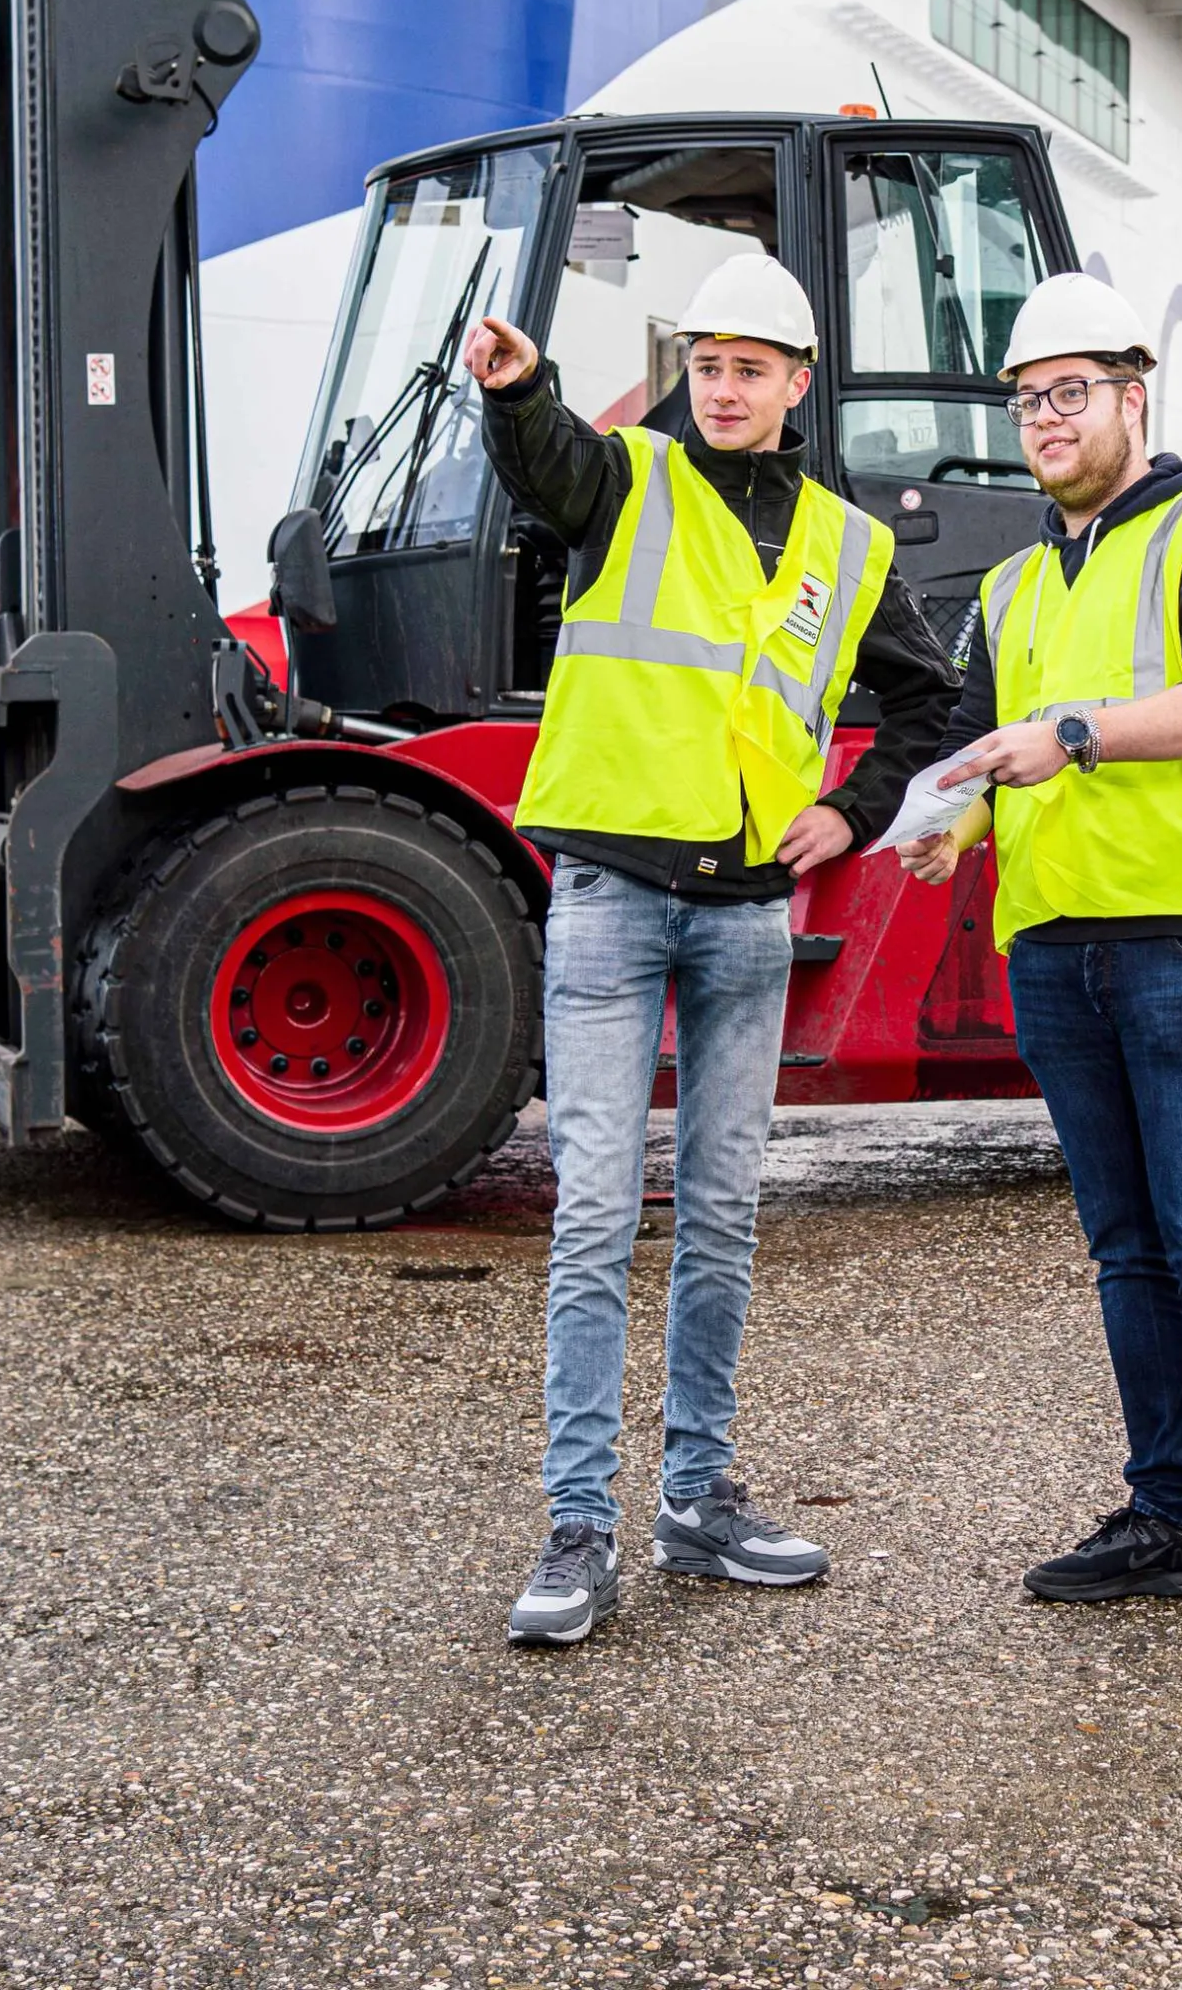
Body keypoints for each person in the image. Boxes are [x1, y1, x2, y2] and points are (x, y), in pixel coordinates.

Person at [469, 250, 967, 1647]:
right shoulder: (627, 481)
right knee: (593, 1214)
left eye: (750, 368)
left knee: (724, 1215)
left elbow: (928, 703)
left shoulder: (848, 547)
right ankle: (578, 1526)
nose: (725, 388)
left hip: (748, 911)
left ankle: (695, 1500)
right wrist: (519, 394)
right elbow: (550, 462)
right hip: (613, 896)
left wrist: (850, 812)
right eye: (706, 366)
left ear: (797, 383)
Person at [896, 272, 1182, 1657]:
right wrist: (952, 823)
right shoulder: (1012, 583)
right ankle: (1168, 1514)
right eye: (1028, 399)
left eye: (1070, 392)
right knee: (1128, 1251)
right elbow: (978, 741)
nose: (1045, 419)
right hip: (1061, 947)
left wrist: (1072, 734)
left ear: (1133, 398)